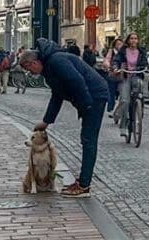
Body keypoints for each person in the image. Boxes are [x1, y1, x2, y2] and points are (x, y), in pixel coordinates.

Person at [20, 38, 108, 198]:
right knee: (87, 140)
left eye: (28, 69)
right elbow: (57, 95)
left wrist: (86, 105)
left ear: (32, 63)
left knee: (88, 140)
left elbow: (77, 80)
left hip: (95, 95)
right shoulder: (50, 67)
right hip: (91, 97)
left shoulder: (56, 61)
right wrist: (46, 121)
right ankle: (83, 182)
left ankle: (84, 186)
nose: (30, 73)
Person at [110, 33, 148, 134]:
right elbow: (116, 61)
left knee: (140, 95)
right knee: (125, 100)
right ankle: (123, 124)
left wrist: (146, 68)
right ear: (128, 40)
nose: (134, 40)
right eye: (131, 38)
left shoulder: (141, 51)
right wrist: (115, 67)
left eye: (136, 38)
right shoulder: (123, 51)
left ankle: (139, 112)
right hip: (126, 77)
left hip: (137, 76)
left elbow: (145, 63)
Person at [103, 38, 123, 113]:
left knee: (122, 93)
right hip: (113, 76)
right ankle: (111, 108)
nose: (120, 46)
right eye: (118, 44)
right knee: (112, 93)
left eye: (121, 44)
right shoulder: (111, 52)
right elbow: (107, 60)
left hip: (122, 76)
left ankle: (120, 109)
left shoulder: (124, 52)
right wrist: (108, 66)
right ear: (114, 45)